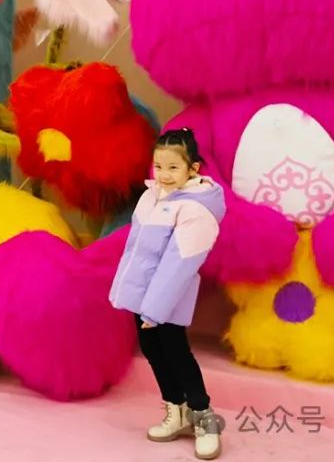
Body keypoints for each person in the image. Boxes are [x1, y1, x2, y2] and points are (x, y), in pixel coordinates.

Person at [109, 128, 226, 460]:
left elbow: (179, 265)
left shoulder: (196, 209)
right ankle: (176, 410)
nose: (163, 174)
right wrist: (128, 291)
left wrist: (154, 310)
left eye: (173, 167)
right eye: (158, 166)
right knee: (153, 350)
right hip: (143, 295)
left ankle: (203, 417)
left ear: (193, 168)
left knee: (176, 352)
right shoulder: (152, 196)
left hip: (167, 300)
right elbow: (136, 249)